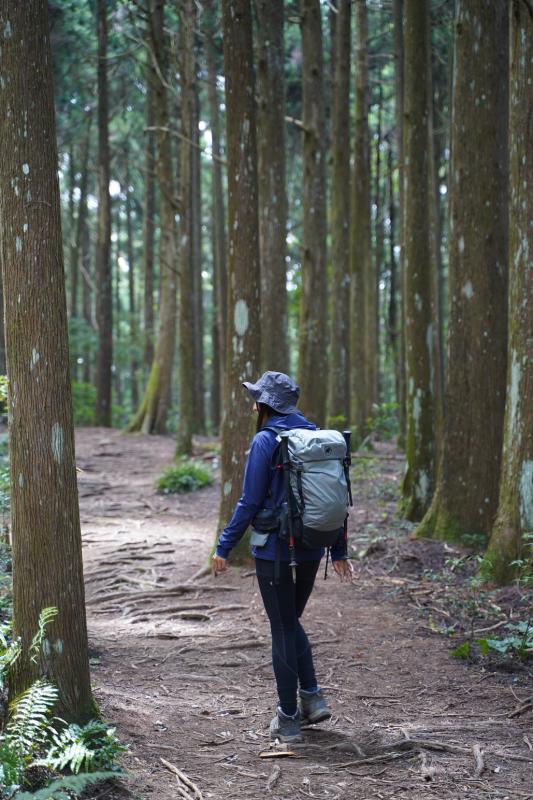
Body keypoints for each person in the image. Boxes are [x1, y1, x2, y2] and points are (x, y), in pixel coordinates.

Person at [212, 371, 354, 744]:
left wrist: (224, 546)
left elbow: (249, 502)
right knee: (290, 621)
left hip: (274, 551)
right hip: (311, 546)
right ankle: (312, 697)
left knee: (283, 627)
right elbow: (337, 497)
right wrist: (338, 549)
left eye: (256, 398)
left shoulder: (265, 441)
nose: (253, 403)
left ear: (264, 405)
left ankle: (288, 718)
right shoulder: (317, 438)